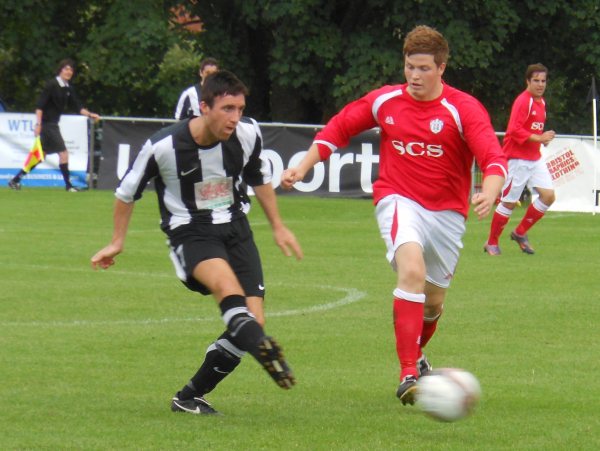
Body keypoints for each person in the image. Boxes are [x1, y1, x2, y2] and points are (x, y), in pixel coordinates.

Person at [281, 25, 507, 406]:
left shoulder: (462, 108)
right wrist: (302, 167)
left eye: (423, 69)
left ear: (441, 68)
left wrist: (489, 189)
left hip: (448, 213)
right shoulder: (385, 101)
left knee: (434, 303)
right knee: (412, 272)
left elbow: (492, 157)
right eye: (409, 67)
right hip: (398, 199)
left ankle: (416, 357)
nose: (414, 76)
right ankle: (407, 374)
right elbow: (338, 128)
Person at [91, 70, 303, 415]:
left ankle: (189, 396)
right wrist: (117, 241)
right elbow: (126, 193)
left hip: (236, 228)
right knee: (226, 287)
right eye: (227, 108)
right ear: (204, 107)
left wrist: (278, 226)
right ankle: (263, 350)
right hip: (190, 232)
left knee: (252, 322)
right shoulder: (164, 146)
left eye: (240, 108)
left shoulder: (247, 133)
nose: (235, 118)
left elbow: (257, 177)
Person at [484, 63, 556, 255]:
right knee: (508, 202)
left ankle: (520, 232)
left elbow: (531, 130)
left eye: (543, 81)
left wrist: (542, 140)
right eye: (536, 81)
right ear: (528, 81)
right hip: (517, 159)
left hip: (534, 157)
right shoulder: (524, 101)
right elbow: (514, 131)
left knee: (548, 196)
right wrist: (539, 138)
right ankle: (491, 242)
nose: (540, 84)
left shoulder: (541, 103)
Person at [8, 59, 100, 191]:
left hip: (53, 124)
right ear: (60, 70)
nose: (69, 72)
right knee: (63, 153)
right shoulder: (51, 85)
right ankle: (69, 186)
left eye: (71, 70)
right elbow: (39, 107)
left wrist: (90, 114)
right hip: (48, 125)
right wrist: (38, 124)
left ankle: (15, 180)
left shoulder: (68, 88)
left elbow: (78, 107)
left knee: (40, 155)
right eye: (66, 69)